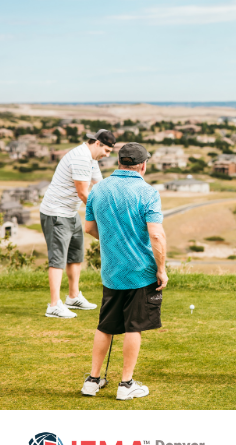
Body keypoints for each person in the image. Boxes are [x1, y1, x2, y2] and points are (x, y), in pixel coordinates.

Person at [81, 143, 168, 400]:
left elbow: (88, 228)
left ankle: (92, 380)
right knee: (134, 326)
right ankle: (126, 384)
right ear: (142, 165)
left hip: (111, 270)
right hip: (141, 271)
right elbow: (156, 234)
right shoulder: (148, 192)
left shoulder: (98, 190)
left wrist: (111, 241)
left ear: (119, 162)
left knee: (105, 325)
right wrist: (161, 269)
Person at [40, 129, 116, 318]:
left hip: (70, 212)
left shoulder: (91, 160)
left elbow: (99, 187)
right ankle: (54, 305)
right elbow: (84, 193)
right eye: (106, 150)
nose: (106, 155)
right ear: (97, 143)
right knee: (57, 260)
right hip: (56, 213)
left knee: (75, 255)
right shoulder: (81, 158)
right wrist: (103, 218)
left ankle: (73, 297)